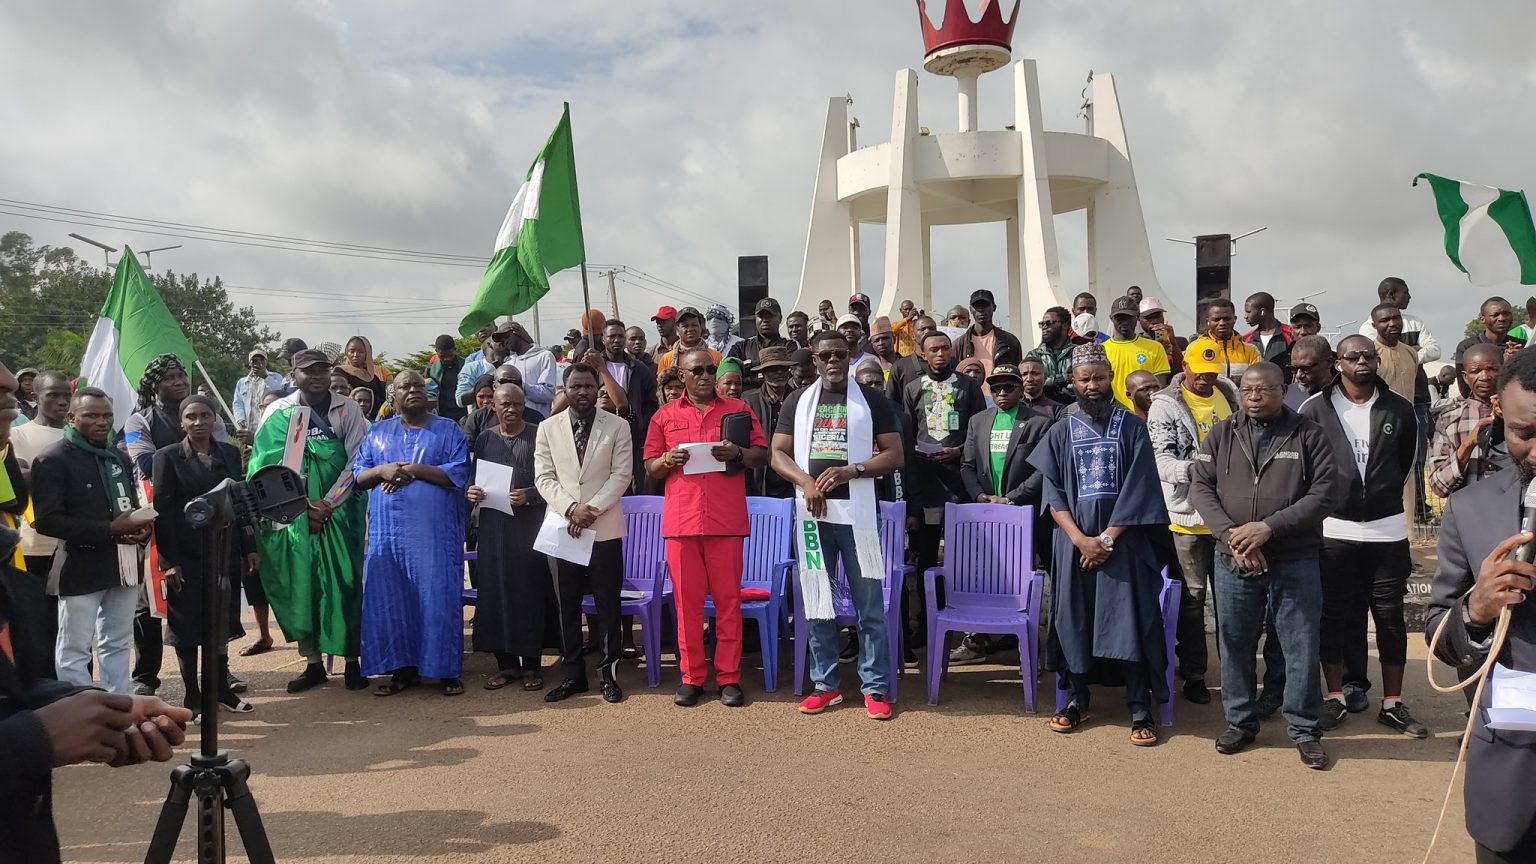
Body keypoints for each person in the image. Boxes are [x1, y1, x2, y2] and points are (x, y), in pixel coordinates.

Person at [1187, 362, 1338, 768]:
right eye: (1247, 389)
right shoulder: (1221, 433)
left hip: (1294, 559)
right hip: (1233, 558)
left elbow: (1325, 493)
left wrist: (1269, 528)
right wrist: (1230, 535)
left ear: (1282, 389)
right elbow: (1200, 487)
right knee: (1234, 643)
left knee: (1300, 646)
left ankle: (1304, 729)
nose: (1254, 396)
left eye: (1264, 390)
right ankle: (1240, 722)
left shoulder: (1308, 433)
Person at [1026, 343, 1171, 746]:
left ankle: (1140, 705)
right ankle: (1077, 699)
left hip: (1123, 546)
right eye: (1084, 378)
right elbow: (1052, 494)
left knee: (1130, 619)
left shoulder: (1132, 426)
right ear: (1072, 382)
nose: (1093, 385)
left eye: (1099, 377)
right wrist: (1080, 540)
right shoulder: (1059, 430)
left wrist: (1106, 539)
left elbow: (1140, 489)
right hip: (1073, 546)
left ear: (1111, 380)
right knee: (1075, 620)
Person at [1424, 347, 1536, 859]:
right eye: (1524, 433)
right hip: (1510, 772)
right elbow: (1437, 631)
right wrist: (1476, 612)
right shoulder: (1470, 509)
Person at [771, 331, 903, 719]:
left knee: (869, 606)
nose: (833, 361)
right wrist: (805, 481)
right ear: (813, 358)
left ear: (849, 357)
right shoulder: (798, 400)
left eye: (840, 355)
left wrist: (853, 470)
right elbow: (778, 453)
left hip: (858, 518)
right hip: (814, 515)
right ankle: (826, 684)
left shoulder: (872, 400)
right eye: (825, 355)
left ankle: (875, 687)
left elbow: (895, 454)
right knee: (816, 601)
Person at [1299, 334, 1426, 736]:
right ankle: (1335, 697)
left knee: (1389, 618)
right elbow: (1305, 467)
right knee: (1333, 615)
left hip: (1386, 529)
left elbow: (1406, 461)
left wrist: (1382, 494)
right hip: (1334, 530)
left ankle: (1393, 703)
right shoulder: (1314, 408)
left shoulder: (1399, 408)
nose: (1362, 362)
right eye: (1353, 356)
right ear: (1338, 362)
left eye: (1368, 356)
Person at [643, 347, 768, 707]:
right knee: (687, 605)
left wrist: (738, 454)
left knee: (729, 604)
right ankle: (692, 677)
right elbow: (650, 465)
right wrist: (667, 459)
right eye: (696, 370)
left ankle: (728, 678)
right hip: (682, 523)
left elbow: (761, 455)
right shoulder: (664, 416)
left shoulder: (739, 411)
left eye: (710, 370)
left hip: (725, 522)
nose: (704, 376)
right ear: (681, 375)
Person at [249, 349, 369, 693]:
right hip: (294, 516)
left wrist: (328, 504)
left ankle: (351, 661)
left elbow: (358, 461)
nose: (315, 376)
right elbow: (265, 468)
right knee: (303, 584)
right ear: (293, 373)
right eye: (307, 371)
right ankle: (312, 663)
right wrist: (303, 508)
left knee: (345, 584)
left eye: (322, 370)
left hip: (341, 513)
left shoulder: (348, 409)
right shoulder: (278, 412)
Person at [354, 371, 469, 697]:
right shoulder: (377, 433)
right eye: (405, 386)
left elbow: (458, 472)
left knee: (437, 597)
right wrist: (382, 470)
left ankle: (446, 671)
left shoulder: (448, 430)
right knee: (394, 600)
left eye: (419, 385)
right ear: (392, 398)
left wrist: (411, 470)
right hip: (390, 537)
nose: (414, 390)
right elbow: (359, 476)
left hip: (434, 536)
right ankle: (402, 670)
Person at [122, 354, 230, 697]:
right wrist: (185, 463)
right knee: (153, 600)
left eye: (181, 375)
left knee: (213, 600)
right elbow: (145, 461)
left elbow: (221, 457)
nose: (179, 381)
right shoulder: (139, 419)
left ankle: (221, 676)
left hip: (207, 519)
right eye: (169, 377)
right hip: (157, 515)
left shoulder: (207, 414)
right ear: (155, 384)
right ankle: (147, 675)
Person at [32, 388, 149, 695]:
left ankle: (119, 704)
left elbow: (130, 507)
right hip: (79, 566)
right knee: (75, 647)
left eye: (107, 415)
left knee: (118, 641)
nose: (102, 422)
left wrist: (140, 527)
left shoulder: (118, 457)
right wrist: (109, 528)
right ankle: (81, 709)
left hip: (123, 563)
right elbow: (46, 520)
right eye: (91, 415)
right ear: (72, 417)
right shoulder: (53, 459)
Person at [533, 364, 633, 704]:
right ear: (565, 389)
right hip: (563, 528)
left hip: (603, 528)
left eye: (589, 385)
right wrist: (570, 509)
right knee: (566, 606)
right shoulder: (547, 428)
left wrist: (590, 510)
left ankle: (608, 675)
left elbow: (622, 474)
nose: (582, 391)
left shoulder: (617, 425)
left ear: (597, 388)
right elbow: (544, 477)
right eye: (575, 385)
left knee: (608, 606)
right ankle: (573, 675)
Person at [149, 395, 255, 717]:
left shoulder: (230, 453)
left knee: (219, 624)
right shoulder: (165, 457)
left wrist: (249, 547)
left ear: (215, 419)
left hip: (223, 553)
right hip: (186, 556)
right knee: (187, 628)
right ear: (182, 422)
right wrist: (170, 561)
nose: (198, 422)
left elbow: (240, 502)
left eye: (205, 415)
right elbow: (163, 512)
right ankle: (193, 697)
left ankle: (220, 690)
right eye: (191, 416)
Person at [1147, 349, 1238, 704]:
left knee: (1232, 603)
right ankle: (1196, 674)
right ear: (1184, 367)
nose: (1206, 379)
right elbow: (1162, 460)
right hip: (1187, 517)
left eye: (1211, 373)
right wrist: (1199, 472)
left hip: (1229, 517)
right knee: (1193, 601)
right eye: (1199, 372)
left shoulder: (1229, 394)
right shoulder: (1165, 405)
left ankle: (1234, 674)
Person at [903, 331, 986, 661]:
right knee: (926, 558)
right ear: (922, 355)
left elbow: (980, 427)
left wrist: (959, 451)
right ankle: (927, 621)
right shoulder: (912, 388)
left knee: (963, 558)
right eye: (933, 350)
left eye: (945, 349)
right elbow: (907, 435)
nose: (940, 354)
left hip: (959, 483)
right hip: (926, 486)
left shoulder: (968, 386)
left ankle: (966, 627)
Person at [466, 383, 548, 691]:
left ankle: (531, 666)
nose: (511, 409)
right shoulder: (485, 439)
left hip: (528, 527)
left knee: (528, 594)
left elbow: (553, 480)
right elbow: (475, 480)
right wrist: (471, 491)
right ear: (493, 407)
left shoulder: (539, 434)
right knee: (496, 592)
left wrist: (532, 495)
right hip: (494, 527)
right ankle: (507, 666)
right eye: (504, 404)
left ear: (524, 404)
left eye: (516, 403)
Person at [8, 370, 69, 676]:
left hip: (72, 546)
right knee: (36, 627)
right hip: (32, 548)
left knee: (71, 631)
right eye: (53, 395)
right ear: (34, 397)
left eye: (66, 396)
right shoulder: (17, 435)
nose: (61, 402)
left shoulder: (77, 435)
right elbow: (18, 480)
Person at [1429, 343, 1504, 498]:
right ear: (1465, 377)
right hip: (1468, 516)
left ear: (1504, 371)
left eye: (1493, 369)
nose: (1485, 377)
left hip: (1514, 515)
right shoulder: (1449, 419)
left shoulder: (1523, 413)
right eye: (1476, 371)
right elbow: (1438, 486)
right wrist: (1468, 444)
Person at [743, 346, 798, 498]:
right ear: (763, 372)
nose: (779, 373)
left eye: (783, 369)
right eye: (773, 369)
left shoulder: (800, 399)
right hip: (760, 478)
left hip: (794, 475)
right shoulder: (748, 403)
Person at [1102, 296, 1172, 409]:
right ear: (1111, 318)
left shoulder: (1155, 348)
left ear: (1138, 317)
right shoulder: (1102, 350)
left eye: (1129, 317)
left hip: (1146, 414)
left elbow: (1159, 389)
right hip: (1113, 416)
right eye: (1120, 318)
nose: (1125, 322)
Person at [1457, 297, 1523, 397]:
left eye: (1506, 314)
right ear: (1482, 319)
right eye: (1495, 315)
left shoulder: (1523, 347)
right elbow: (1465, 390)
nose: (1502, 318)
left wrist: (1520, 361)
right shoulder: (1467, 347)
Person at [1185, 298, 1260, 383]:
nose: (1222, 323)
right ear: (1208, 321)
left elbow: (1257, 382)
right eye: (1216, 319)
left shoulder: (1251, 351)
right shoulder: (1195, 348)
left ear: (1234, 319)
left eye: (1227, 318)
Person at [954, 288, 1024, 376]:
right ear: (971, 309)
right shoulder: (959, 345)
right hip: (970, 390)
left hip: (999, 389)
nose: (981, 310)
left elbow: (1018, 376)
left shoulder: (1010, 342)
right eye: (977, 306)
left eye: (985, 305)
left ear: (994, 307)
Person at [503, 322, 560, 418]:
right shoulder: (508, 364)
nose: (505, 342)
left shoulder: (544, 356)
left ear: (517, 332)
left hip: (539, 422)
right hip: (515, 423)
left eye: (507, 336)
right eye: (502, 340)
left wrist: (520, 385)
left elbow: (548, 394)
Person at [1369, 303, 1420, 403]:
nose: (1392, 323)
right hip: (1379, 416)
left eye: (1396, 318)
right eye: (1385, 320)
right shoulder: (1369, 354)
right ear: (1374, 325)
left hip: (1407, 416)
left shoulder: (1411, 353)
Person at [728, 298, 792, 373]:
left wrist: (749, 365)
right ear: (755, 318)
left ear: (780, 318)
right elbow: (729, 369)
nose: (765, 320)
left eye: (770, 316)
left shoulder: (790, 346)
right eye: (761, 316)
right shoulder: (741, 347)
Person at [886, 314, 940, 404]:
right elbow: (892, 403)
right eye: (922, 329)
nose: (927, 332)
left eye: (931, 328)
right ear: (913, 336)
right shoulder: (900, 367)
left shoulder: (948, 363)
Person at [335, 336, 390, 421]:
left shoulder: (374, 378)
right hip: (346, 420)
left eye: (360, 352)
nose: (355, 355)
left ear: (367, 354)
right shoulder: (339, 373)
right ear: (346, 352)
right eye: (351, 351)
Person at [1029, 306, 1076, 405]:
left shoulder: (1077, 353)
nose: (1044, 327)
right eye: (1042, 324)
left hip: (1072, 410)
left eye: (1049, 323)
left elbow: (1079, 388)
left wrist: (1048, 389)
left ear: (1064, 325)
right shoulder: (1034, 355)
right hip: (1042, 411)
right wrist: (1065, 378)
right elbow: (1032, 384)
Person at [1241, 292, 1294, 379]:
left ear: (1262, 311)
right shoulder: (1246, 338)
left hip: (1283, 389)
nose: (1245, 316)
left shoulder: (1290, 334)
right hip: (1256, 389)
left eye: (1248, 312)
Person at [232, 349, 284, 437]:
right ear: (250, 363)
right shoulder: (242, 382)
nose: (258, 363)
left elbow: (280, 393)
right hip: (249, 427)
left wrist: (265, 376)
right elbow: (238, 403)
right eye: (254, 361)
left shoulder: (276, 377)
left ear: (266, 362)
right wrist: (240, 418)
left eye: (261, 360)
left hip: (268, 425)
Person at [656, 307, 722, 374]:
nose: (690, 329)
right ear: (677, 329)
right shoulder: (667, 359)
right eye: (685, 326)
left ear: (700, 327)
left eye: (694, 325)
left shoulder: (715, 357)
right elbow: (661, 383)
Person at [456, 327, 510, 408]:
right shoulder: (471, 368)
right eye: (499, 342)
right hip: (479, 418)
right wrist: (483, 386)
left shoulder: (512, 364)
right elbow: (460, 400)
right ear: (490, 345)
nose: (504, 344)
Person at [1284, 335, 1334, 409]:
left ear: (1329, 362)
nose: (1298, 375)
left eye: (1306, 368)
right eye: (1294, 368)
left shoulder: (1347, 395)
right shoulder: (1286, 396)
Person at [1137, 297, 1185, 371]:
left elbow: (1181, 371)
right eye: (1148, 317)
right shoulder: (1137, 343)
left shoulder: (1180, 342)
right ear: (1139, 318)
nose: (1155, 321)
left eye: (1158, 316)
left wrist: (1173, 344)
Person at [427, 334, 466, 422]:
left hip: (463, 414)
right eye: (443, 356)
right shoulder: (431, 368)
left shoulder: (466, 365)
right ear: (436, 351)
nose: (447, 359)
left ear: (455, 350)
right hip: (441, 415)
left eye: (450, 355)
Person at [1016, 356, 1062, 422]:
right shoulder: (1011, 407)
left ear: (1045, 377)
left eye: (1035, 373)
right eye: (1024, 374)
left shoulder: (1057, 409)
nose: (1029, 379)